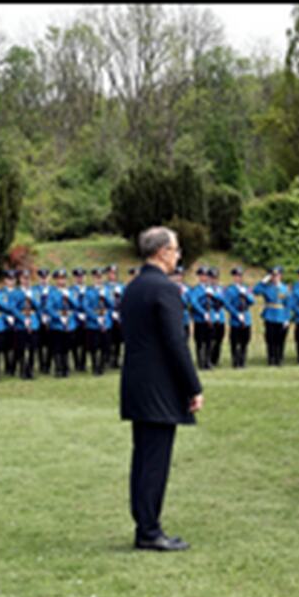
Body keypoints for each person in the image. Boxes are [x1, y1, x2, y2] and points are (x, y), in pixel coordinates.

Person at [120, 226, 203, 552]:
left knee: (143, 458)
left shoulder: (134, 287)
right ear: (161, 252)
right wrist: (192, 386)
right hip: (159, 387)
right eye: (176, 249)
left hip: (137, 383)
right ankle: (149, 530)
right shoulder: (164, 289)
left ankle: (145, 524)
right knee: (155, 460)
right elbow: (175, 342)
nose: (178, 255)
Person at [254, 266, 291, 366]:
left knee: (280, 339)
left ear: (280, 276)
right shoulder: (267, 287)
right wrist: (263, 281)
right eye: (273, 276)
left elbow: (288, 304)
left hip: (281, 316)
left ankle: (279, 359)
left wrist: (287, 318)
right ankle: (271, 359)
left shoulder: (284, 288)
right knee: (270, 339)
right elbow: (256, 291)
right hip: (270, 315)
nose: (275, 278)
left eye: (277, 275)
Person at [45, 269, 77, 377]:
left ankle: (66, 368)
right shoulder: (52, 293)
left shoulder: (70, 292)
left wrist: (69, 297)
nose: (61, 281)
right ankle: (58, 368)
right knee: (57, 347)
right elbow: (49, 308)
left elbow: (76, 306)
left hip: (69, 323)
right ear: (55, 280)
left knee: (66, 348)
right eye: (59, 279)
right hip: (57, 324)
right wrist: (58, 317)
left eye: (63, 278)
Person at [11, 269, 41, 380]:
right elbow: (13, 308)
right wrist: (22, 319)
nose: (26, 281)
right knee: (21, 349)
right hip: (21, 323)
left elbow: (38, 306)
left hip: (33, 322)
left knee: (33, 348)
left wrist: (31, 297)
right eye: (24, 278)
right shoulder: (16, 292)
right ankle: (23, 369)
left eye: (28, 278)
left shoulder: (35, 292)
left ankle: (30, 370)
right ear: (20, 279)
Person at [84, 268, 114, 376]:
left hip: (106, 321)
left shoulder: (107, 290)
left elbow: (112, 305)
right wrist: (95, 317)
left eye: (100, 277)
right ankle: (94, 365)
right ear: (93, 278)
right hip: (93, 323)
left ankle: (101, 366)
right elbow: (86, 306)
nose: (99, 279)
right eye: (97, 277)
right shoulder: (89, 291)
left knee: (104, 346)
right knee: (94, 347)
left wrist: (104, 296)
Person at [223, 267, 254, 368]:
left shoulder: (246, 288)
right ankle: (235, 361)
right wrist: (236, 314)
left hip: (246, 317)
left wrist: (245, 294)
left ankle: (243, 360)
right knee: (235, 342)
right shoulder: (230, 289)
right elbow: (227, 304)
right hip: (236, 318)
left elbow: (252, 301)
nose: (238, 278)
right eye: (236, 276)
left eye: (240, 276)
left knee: (245, 341)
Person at [188, 266, 215, 370]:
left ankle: (208, 361)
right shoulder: (196, 289)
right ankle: (201, 362)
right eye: (202, 275)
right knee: (200, 341)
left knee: (209, 341)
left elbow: (217, 300)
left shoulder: (211, 288)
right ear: (199, 277)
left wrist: (212, 295)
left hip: (210, 318)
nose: (204, 277)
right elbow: (194, 302)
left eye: (206, 275)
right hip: (200, 318)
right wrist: (203, 313)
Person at [0, 270, 19, 377]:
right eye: (9, 279)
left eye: (13, 279)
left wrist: (15, 316)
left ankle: (13, 367)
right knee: (5, 347)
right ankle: (7, 366)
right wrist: (6, 316)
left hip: (17, 322)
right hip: (4, 323)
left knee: (16, 346)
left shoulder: (19, 292)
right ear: (5, 280)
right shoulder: (1, 293)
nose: (11, 281)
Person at [207, 267, 227, 367]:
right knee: (210, 340)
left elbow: (224, 299)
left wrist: (214, 295)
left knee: (219, 340)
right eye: (211, 277)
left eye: (215, 278)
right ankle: (208, 360)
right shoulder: (206, 288)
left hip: (220, 316)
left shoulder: (221, 288)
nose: (213, 280)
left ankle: (215, 360)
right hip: (211, 315)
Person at [70, 268, 89, 372]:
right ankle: (76, 362)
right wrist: (77, 314)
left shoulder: (89, 289)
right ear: (74, 278)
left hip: (87, 319)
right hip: (75, 319)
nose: (80, 279)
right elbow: (70, 307)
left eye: (81, 276)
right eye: (78, 277)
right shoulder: (71, 290)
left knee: (85, 342)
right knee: (74, 343)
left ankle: (83, 363)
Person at [107, 265, 126, 368]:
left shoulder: (121, 286)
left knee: (119, 340)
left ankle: (116, 359)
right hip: (109, 315)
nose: (112, 275)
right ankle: (108, 358)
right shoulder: (105, 287)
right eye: (110, 273)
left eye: (114, 273)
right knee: (109, 339)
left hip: (120, 316)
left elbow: (126, 299)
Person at [36, 268, 53, 375]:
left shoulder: (53, 290)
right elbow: (35, 306)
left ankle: (48, 365)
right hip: (39, 319)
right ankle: (42, 364)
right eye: (42, 278)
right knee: (39, 344)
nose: (44, 280)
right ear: (39, 278)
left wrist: (49, 316)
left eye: (46, 277)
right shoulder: (35, 290)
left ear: (49, 278)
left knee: (50, 344)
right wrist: (41, 315)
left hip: (51, 320)